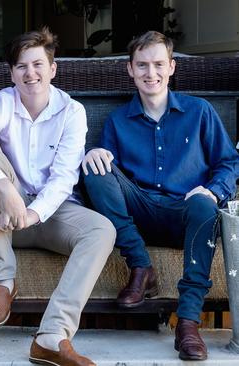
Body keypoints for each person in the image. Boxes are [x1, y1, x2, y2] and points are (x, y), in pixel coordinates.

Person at [0, 28, 115, 366]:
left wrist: (32, 212)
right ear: (12, 73)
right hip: (5, 215)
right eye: (22, 67)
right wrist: (6, 190)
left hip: (49, 213)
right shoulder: (2, 102)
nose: (31, 74)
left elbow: (63, 179)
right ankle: (3, 280)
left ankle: (51, 336)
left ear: (53, 69)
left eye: (38, 64)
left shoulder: (72, 111)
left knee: (102, 230)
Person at [81, 30, 239, 361]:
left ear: (171, 67)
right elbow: (111, 181)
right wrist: (95, 154)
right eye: (142, 65)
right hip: (138, 217)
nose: (150, 73)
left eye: (157, 64)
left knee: (204, 202)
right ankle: (141, 266)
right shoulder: (118, 120)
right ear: (130, 69)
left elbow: (229, 163)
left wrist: (213, 190)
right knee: (95, 169)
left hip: (188, 215)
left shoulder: (200, 112)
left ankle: (188, 323)